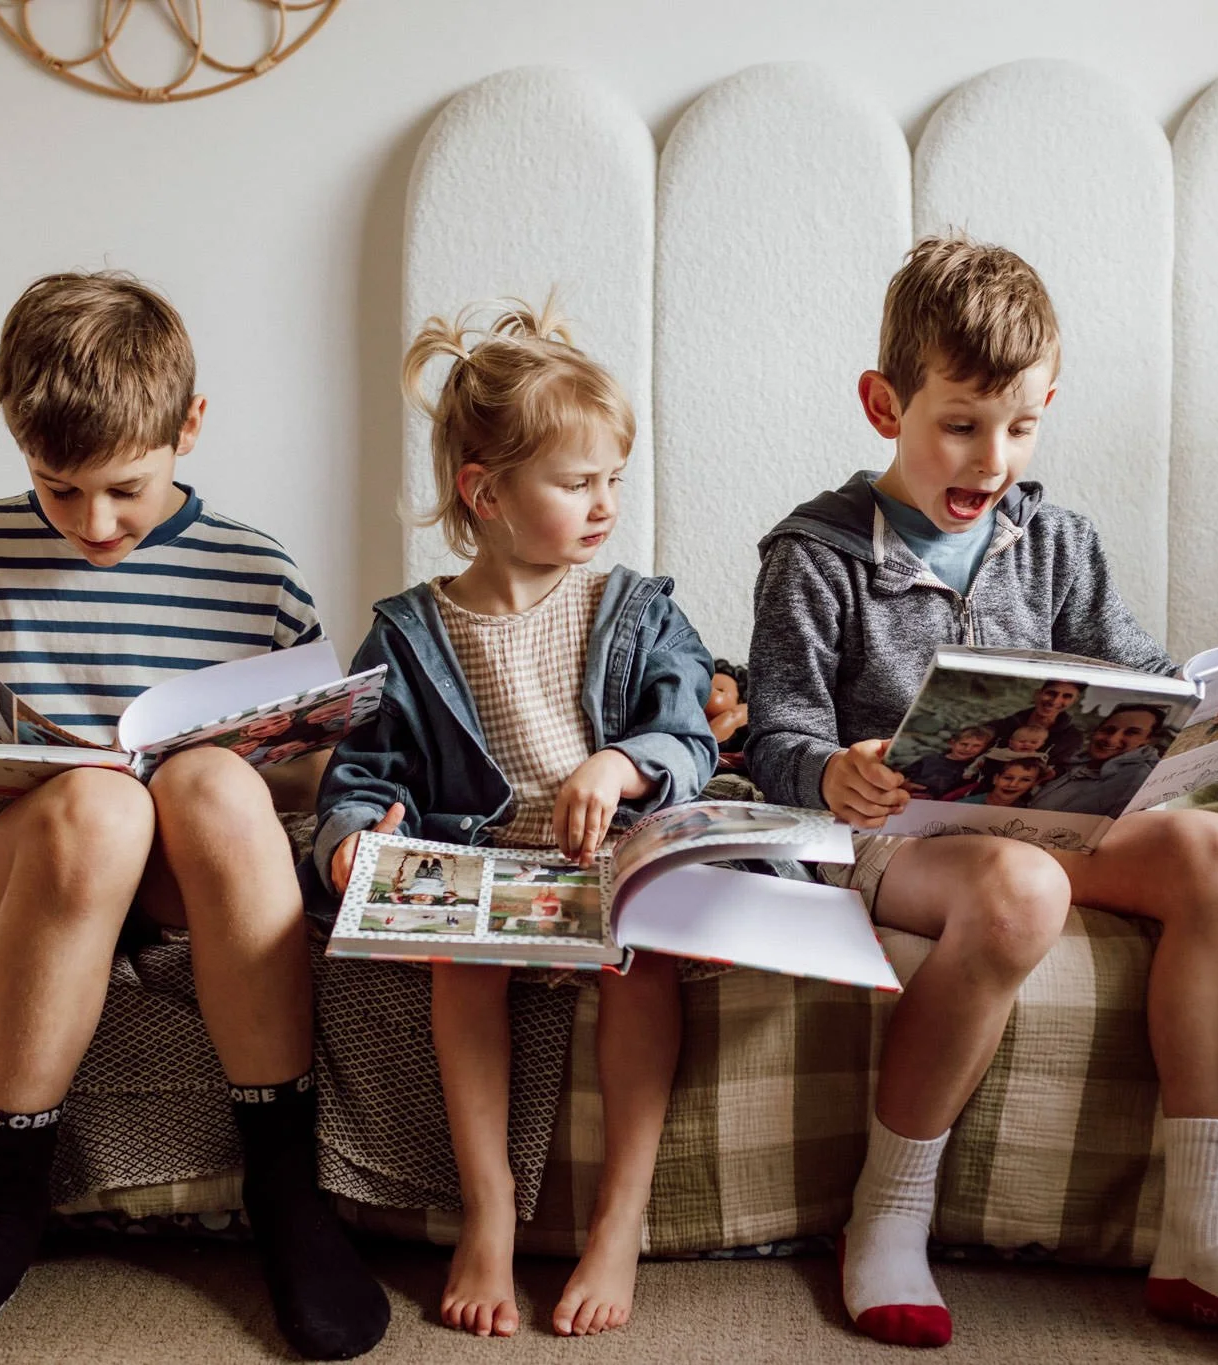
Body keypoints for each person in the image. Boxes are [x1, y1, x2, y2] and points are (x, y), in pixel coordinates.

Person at [745, 234, 1218, 1363]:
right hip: (909, 838)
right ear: (883, 403)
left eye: (1021, 426)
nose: (991, 456)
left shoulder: (1059, 543)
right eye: (959, 423)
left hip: (1057, 820)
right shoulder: (814, 556)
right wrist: (832, 767)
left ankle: (1205, 1237)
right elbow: (775, 728)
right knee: (1020, 891)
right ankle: (886, 1215)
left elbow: (1146, 684)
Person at [0, 271, 388, 1364]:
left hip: (184, 871)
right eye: (58, 490)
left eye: (125, 490)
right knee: (97, 807)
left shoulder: (255, 573)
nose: (94, 523)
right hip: (11, 868)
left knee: (208, 785)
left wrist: (273, 759)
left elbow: (306, 773)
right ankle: (0, 1205)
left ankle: (285, 1188)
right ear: (18, 446)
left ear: (188, 428)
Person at [312, 299, 716, 1340]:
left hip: (610, 862)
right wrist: (353, 837)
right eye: (576, 483)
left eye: (613, 481)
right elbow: (362, 768)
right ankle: (486, 1211)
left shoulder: (635, 607)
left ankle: (615, 1221)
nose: (604, 506)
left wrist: (621, 764)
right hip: (482, 868)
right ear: (483, 492)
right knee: (463, 955)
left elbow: (689, 734)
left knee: (645, 953)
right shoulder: (408, 632)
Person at [1026, 703, 1169, 817]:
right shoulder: (1073, 762)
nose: (1112, 739)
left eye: (1131, 733)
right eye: (1108, 730)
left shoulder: (1139, 780)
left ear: (1148, 740)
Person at [897, 723, 996, 799]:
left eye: (976, 746)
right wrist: (905, 785)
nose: (968, 749)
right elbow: (901, 776)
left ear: (983, 748)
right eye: (964, 744)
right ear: (952, 743)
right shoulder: (930, 759)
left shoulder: (974, 769)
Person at [954, 750, 1050, 807]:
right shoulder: (966, 805)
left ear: (1033, 784)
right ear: (995, 779)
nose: (1013, 785)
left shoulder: (1024, 810)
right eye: (1008, 778)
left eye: (1025, 780)